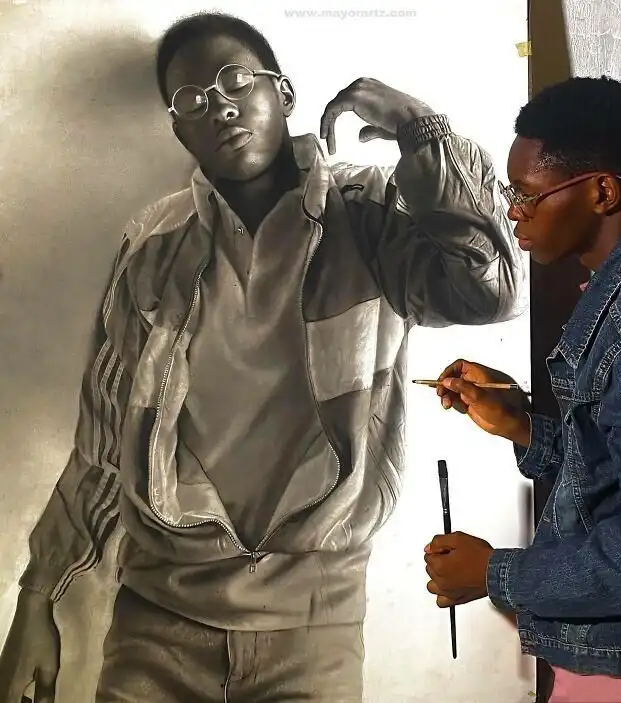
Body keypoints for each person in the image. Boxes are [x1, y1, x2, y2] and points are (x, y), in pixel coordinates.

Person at [0, 11, 524, 703]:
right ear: (179, 131)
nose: (219, 105)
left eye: (236, 80)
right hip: (157, 626)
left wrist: (419, 128)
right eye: (192, 99)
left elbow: (488, 292)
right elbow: (104, 444)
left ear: (285, 94)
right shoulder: (153, 245)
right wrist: (36, 597)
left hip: (313, 633)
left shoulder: (368, 212)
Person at [424, 75, 621, 702]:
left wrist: (496, 573)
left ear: (601, 192)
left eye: (526, 195)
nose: (512, 213)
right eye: (509, 193)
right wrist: (521, 425)